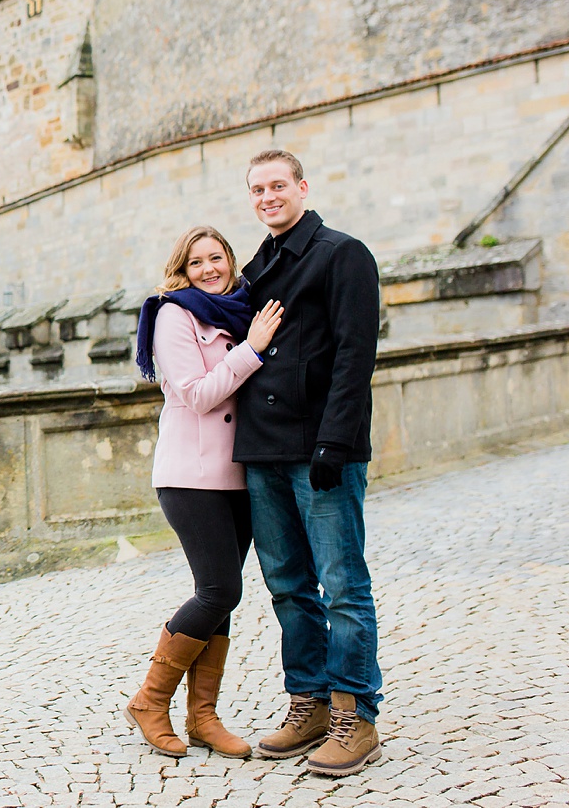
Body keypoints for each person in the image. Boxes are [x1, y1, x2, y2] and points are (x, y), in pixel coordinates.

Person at [233, 148, 385, 777]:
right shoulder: (255, 267)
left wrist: (334, 443)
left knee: (343, 585)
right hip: (263, 451)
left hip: (321, 451)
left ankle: (357, 715)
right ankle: (310, 703)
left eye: (277, 185)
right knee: (289, 587)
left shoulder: (342, 254)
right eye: (257, 189)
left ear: (302, 186)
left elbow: (356, 355)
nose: (268, 197)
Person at [126, 225, 283, 759]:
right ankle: (150, 701)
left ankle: (203, 717)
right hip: (190, 477)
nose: (209, 269)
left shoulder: (242, 310)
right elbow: (196, 395)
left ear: (232, 262)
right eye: (197, 262)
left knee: (222, 597)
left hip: (237, 475)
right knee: (219, 592)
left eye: (217, 258)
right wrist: (253, 349)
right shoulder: (174, 315)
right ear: (182, 271)